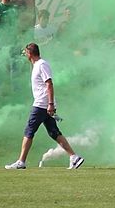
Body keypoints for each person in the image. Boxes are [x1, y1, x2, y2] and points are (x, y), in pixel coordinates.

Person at [5, 42, 84, 170]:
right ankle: (74, 157)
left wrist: (51, 104)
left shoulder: (42, 65)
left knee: (29, 131)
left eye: (26, 52)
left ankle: (21, 161)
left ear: (30, 53)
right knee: (54, 133)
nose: (24, 54)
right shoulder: (36, 65)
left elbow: (49, 84)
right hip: (44, 104)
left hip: (42, 104)